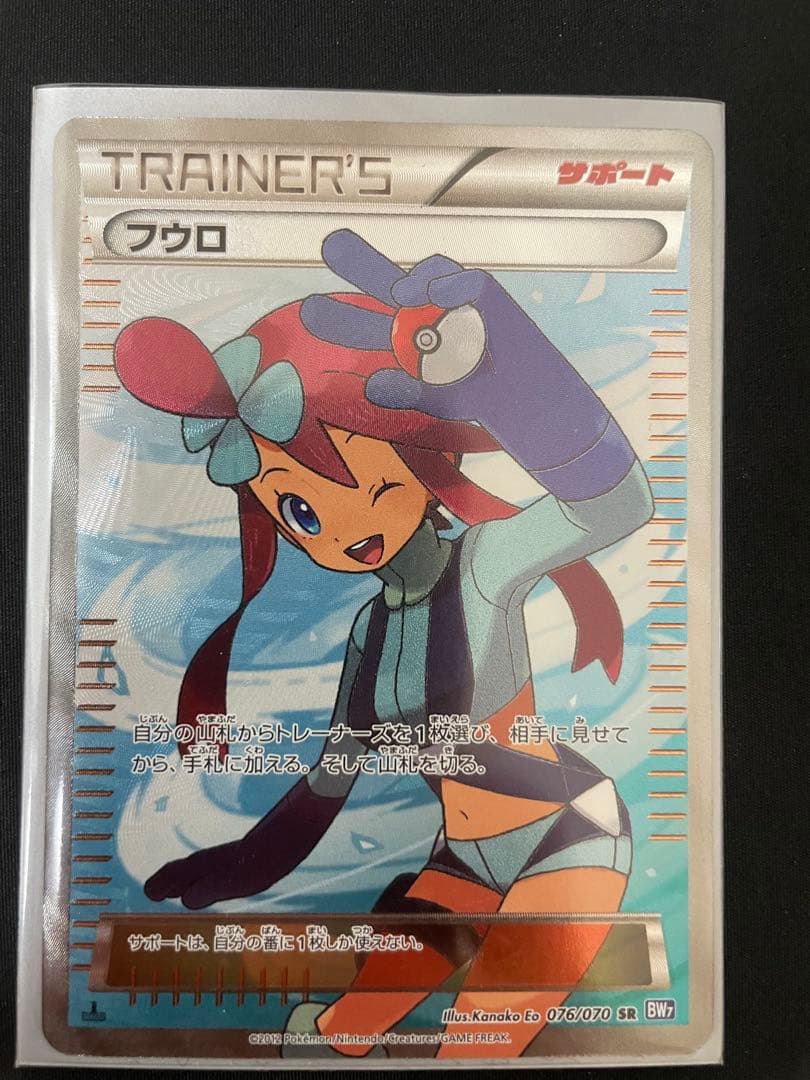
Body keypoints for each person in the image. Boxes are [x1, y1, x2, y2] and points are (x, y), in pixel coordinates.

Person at [114, 230, 654, 1058]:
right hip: (461, 861)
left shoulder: (485, 566)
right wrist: (244, 864)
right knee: (333, 1034)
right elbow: (328, 782)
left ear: (415, 450)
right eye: (299, 511)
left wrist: (513, 370)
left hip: (569, 833)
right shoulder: (371, 631)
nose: (339, 528)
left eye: (366, 480)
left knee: (477, 1043)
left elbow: (617, 501)